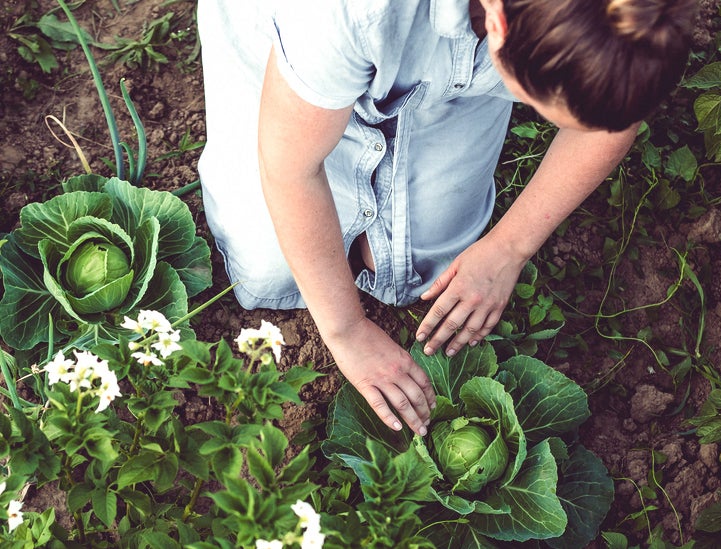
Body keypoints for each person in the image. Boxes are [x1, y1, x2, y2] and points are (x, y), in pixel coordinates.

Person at [197, 0, 695, 437]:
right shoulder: (344, 9)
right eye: (538, 104)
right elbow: (289, 169)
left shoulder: (629, 20)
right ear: (499, 22)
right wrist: (346, 331)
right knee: (269, 268)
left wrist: (510, 246)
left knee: (425, 266)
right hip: (291, 41)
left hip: (454, 63)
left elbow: (610, 118)